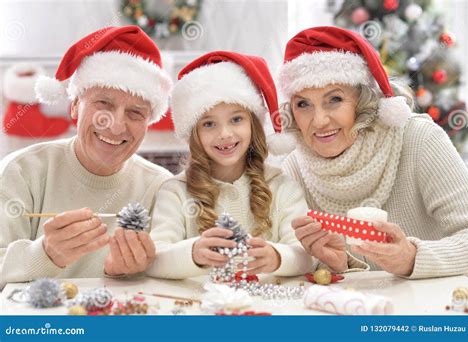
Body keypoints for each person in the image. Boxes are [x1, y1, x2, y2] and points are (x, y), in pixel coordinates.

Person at [277, 26, 468, 279]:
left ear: (363, 100)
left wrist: (411, 258)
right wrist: (338, 266)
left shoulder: (419, 139)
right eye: (303, 104)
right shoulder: (294, 168)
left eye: (334, 99)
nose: (319, 121)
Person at [0, 26, 173, 289]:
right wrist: (44, 255)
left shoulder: (163, 188)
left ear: (148, 122)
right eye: (103, 104)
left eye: (135, 113)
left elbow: (176, 289)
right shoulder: (20, 172)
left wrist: (125, 276)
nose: (115, 126)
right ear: (75, 106)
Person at [147, 51, 315, 279]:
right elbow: (155, 259)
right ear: (193, 134)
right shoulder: (175, 192)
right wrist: (193, 253)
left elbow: (306, 254)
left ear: (253, 124)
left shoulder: (282, 186)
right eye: (209, 124)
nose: (225, 134)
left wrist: (277, 257)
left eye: (236, 119)